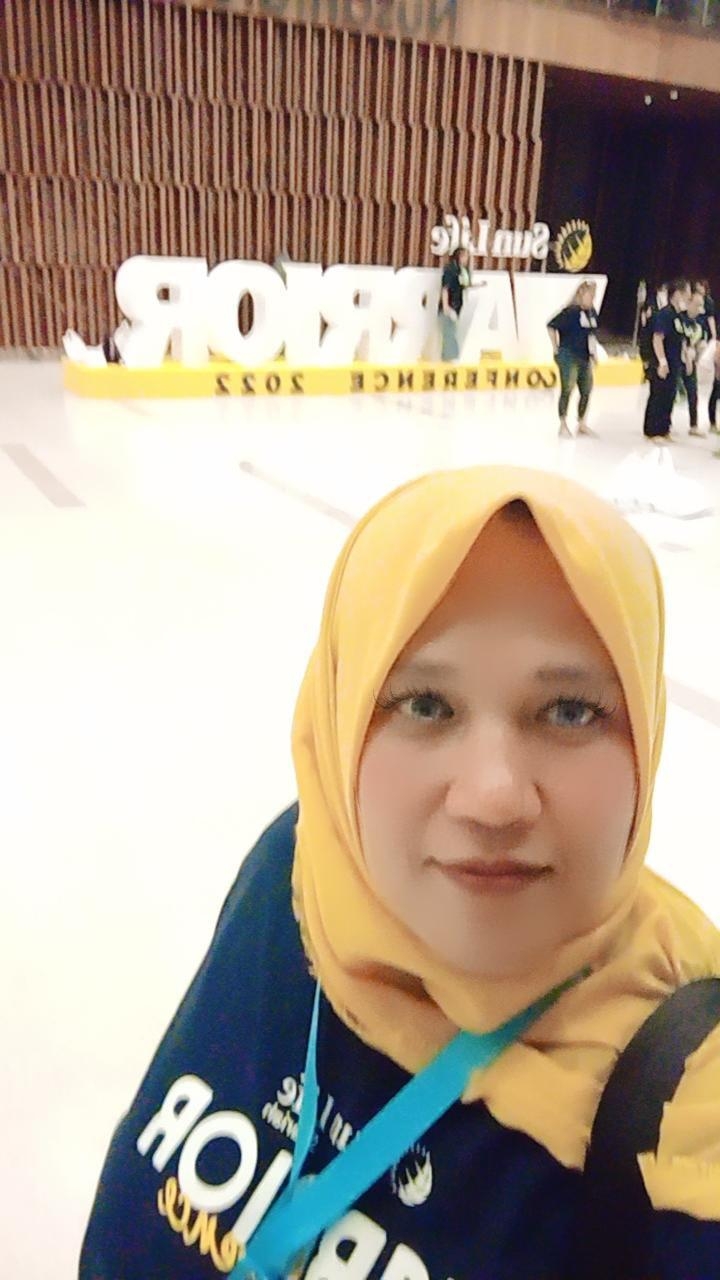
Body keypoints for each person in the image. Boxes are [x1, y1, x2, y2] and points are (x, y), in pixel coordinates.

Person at [80, 465, 720, 1280]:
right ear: (342, 716)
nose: (493, 797)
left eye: (570, 711)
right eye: (425, 704)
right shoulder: (296, 878)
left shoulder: (686, 1107)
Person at [547, 281, 599, 439]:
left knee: (586, 389)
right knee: (567, 388)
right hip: (569, 354)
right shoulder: (570, 312)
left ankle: (581, 422)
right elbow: (551, 325)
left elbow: (591, 335)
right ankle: (563, 423)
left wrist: (593, 354)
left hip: (584, 356)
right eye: (590, 295)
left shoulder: (592, 313)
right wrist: (555, 347)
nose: (592, 298)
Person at [642, 278, 690, 443]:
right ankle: (652, 431)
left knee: (669, 396)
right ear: (677, 294)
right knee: (658, 395)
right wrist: (662, 361)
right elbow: (657, 338)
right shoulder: (665, 314)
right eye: (686, 292)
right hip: (664, 362)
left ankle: (664, 428)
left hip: (675, 362)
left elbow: (681, 340)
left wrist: (686, 359)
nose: (688, 296)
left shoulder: (678, 316)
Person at [678, 289, 707, 438]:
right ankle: (664, 424)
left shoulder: (699, 323)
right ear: (689, 303)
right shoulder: (681, 318)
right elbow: (681, 341)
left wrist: (696, 356)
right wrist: (687, 359)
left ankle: (694, 425)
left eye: (701, 305)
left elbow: (700, 342)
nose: (699, 309)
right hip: (678, 360)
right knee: (670, 394)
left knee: (693, 392)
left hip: (691, 360)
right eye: (697, 305)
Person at [438, 248, 470, 361]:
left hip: (456, 306)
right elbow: (445, 288)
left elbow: (463, 285)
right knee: (449, 332)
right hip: (449, 306)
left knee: (452, 331)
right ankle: (449, 358)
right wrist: (446, 306)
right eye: (465, 256)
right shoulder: (450, 269)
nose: (467, 259)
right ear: (460, 256)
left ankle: (448, 357)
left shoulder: (461, 270)